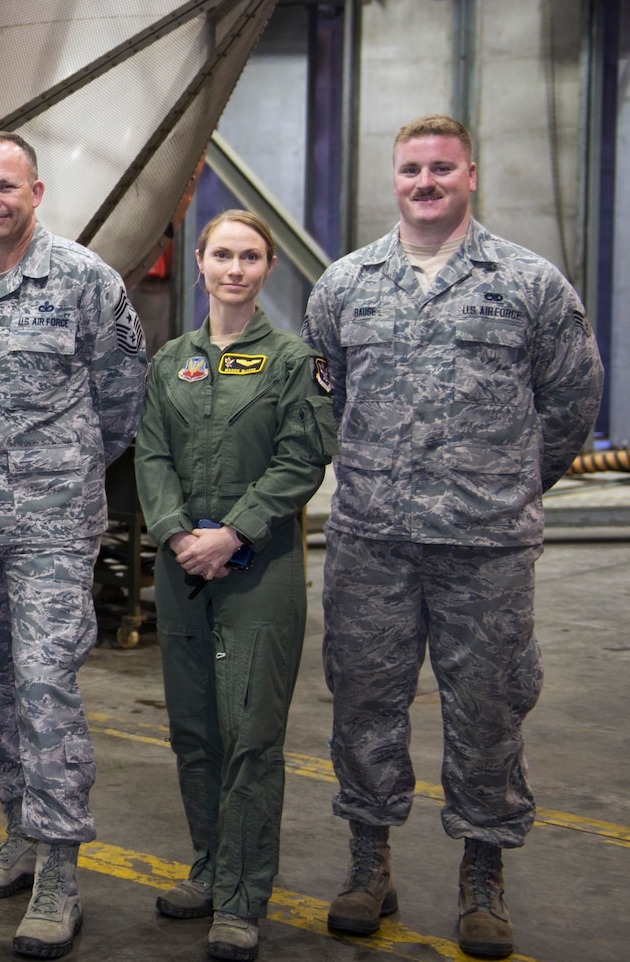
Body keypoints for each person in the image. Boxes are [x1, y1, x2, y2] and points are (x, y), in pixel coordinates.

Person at [303, 115, 601, 959]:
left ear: (471, 174)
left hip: (488, 550)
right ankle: (369, 863)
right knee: (364, 705)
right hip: (373, 542)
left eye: (441, 167)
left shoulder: (531, 283)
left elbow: (573, 399)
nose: (424, 181)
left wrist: (504, 486)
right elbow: (327, 398)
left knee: (490, 710)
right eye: (410, 169)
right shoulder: (345, 285)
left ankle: (483, 874)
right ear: (392, 178)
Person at [0, 130, 147, 960]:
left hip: (53, 527)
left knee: (46, 687)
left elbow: (123, 399)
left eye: (6, 186)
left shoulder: (87, 280)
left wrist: (66, 473)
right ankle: (18, 830)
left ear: (37, 191)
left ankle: (60, 864)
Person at [135, 210, 336, 962]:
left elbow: (300, 460)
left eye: (250, 256)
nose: (235, 268)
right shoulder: (171, 362)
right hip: (182, 564)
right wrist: (178, 532)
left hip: (261, 567)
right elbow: (150, 453)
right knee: (195, 730)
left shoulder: (292, 361)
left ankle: (243, 897)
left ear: (268, 267)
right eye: (223, 253)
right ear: (200, 261)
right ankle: (209, 867)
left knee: (251, 734)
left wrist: (234, 531)